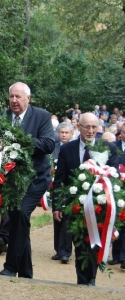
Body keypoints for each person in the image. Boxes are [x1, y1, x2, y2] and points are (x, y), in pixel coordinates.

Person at [52, 113, 118, 286]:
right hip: (75, 207)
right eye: (86, 127)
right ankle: (83, 281)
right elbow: (60, 180)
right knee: (80, 244)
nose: (90, 131)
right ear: (78, 127)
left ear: (99, 129)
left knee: (95, 244)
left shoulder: (108, 148)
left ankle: (92, 279)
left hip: (100, 206)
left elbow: (115, 179)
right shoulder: (67, 149)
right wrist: (57, 205)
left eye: (94, 127)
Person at [0, 82, 55, 278]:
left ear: (28, 98)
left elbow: (48, 144)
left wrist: (20, 140)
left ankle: (10, 267)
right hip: (13, 182)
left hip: (35, 180)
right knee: (18, 221)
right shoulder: (4, 117)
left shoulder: (41, 116)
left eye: (18, 97)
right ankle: (25, 273)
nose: (14, 100)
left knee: (21, 214)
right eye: (11, 97)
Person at [51, 122, 74, 264]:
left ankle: (66, 251)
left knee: (67, 220)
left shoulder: (74, 148)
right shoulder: (53, 148)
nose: (64, 135)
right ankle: (58, 250)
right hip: (56, 185)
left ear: (72, 134)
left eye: (67, 132)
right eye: (62, 132)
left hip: (70, 187)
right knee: (57, 217)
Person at [109, 123, 125, 269]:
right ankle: (116, 256)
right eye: (124, 132)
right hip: (117, 188)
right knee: (118, 222)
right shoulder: (114, 146)